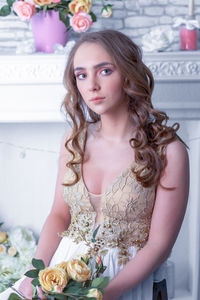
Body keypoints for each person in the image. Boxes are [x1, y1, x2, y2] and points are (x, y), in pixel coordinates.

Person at [1, 29, 189, 300]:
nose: (91, 85)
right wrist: (35, 274)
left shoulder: (167, 150)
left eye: (104, 71)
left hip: (123, 281)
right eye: (81, 75)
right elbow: (59, 215)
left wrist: (102, 295)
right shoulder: (73, 141)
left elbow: (160, 245)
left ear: (127, 73)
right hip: (63, 271)